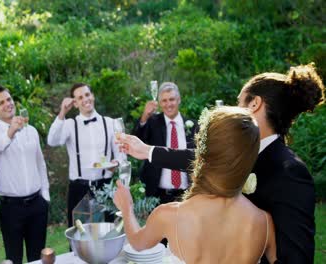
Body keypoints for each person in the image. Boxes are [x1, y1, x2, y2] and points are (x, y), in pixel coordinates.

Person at [118, 64, 324, 263]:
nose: (235, 108)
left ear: (255, 104)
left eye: (239, 101)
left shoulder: (290, 171)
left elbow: (296, 259)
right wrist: (147, 151)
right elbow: (207, 157)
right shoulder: (239, 156)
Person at [114, 106, 277, 264]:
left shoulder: (169, 215)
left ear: (201, 151)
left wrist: (126, 208)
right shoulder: (264, 222)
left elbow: (137, 242)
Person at [0, 86, 50, 264]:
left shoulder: (32, 131)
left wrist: (45, 196)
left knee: (37, 258)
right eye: (1, 102)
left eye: (9, 99)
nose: (8, 104)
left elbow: (40, 164)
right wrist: (12, 130)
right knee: (13, 259)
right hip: (11, 208)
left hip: (37, 205)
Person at [47, 83, 126, 227]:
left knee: (106, 235)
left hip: (105, 187)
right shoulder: (70, 125)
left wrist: (116, 164)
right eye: (80, 97)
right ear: (75, 103)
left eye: (87, 95)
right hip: (79, 189)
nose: (85, 99)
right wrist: (62, 113)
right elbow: (52, 141)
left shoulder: (110, 123)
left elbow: (121, 154)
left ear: (93, 96)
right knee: (79, 236)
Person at [132, 82, 197, 203]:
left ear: (179, 100)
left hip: (187, 196)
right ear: (160, 103)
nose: (168, 104)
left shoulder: (193, 125)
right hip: (158, 195)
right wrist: (144, 116)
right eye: (164, 101)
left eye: (171, 99)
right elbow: (136, 139)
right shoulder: (152, 123)